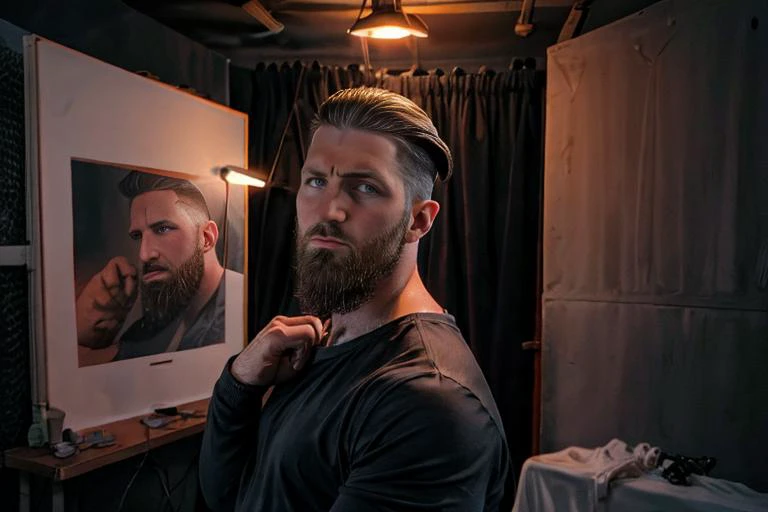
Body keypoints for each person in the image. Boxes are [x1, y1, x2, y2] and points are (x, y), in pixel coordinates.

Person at [200, 88, 509, 511]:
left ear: (418, 220)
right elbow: (229, 496)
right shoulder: (322, 340)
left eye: (364, 187)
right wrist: (239, 384)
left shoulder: (426, 402)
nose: (329, 209)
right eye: (316, 181)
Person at [75, 171, 226, 361]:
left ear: (206, 237)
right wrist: (88, 333)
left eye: (162, 229)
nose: (144, 255)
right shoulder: (153, 328)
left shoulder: (245, 308)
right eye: (138, 236)